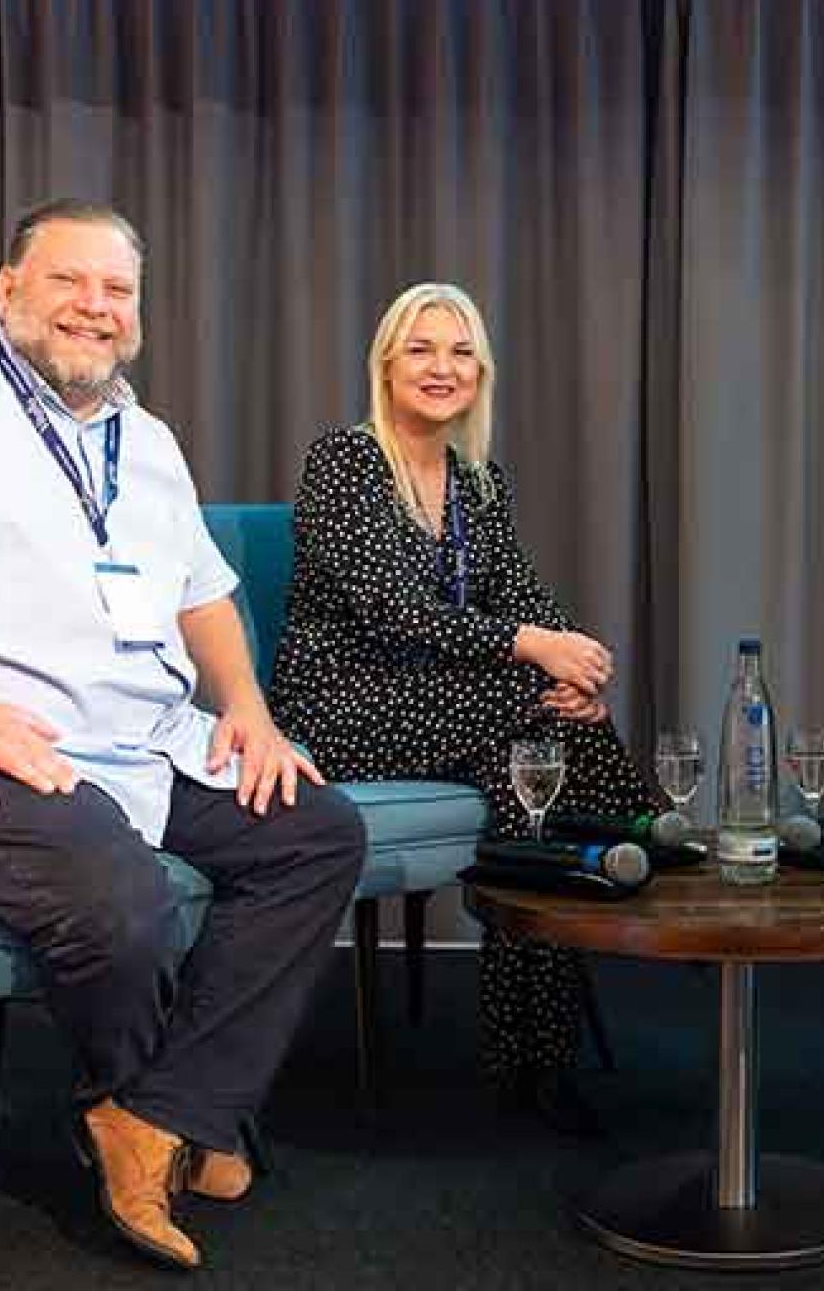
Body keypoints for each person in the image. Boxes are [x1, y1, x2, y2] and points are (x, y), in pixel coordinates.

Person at [0, 200, 366, 1273]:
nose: (95, 306)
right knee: (118, 895)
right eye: (67, 280)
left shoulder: (146, 443)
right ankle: (150, 1113)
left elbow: (205, 598)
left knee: (314, 833)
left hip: (130, 742)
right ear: (7, 291)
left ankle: (159, 1113)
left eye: (117, 289)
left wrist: (247, 707)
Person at [268, 281, 657, 1134]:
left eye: (459, 352)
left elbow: (520, 594)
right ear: (386, 363)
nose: (441, 368)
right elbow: (388, 609)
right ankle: (653, 838)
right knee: (539, 723)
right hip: (344, 701)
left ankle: (532, 1054)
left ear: (480, 373)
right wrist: (534, 653)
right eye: (421, 349)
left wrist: (578, 667)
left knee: (537, 783)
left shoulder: (479, 482)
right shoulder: (346, 460)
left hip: (456, 704)